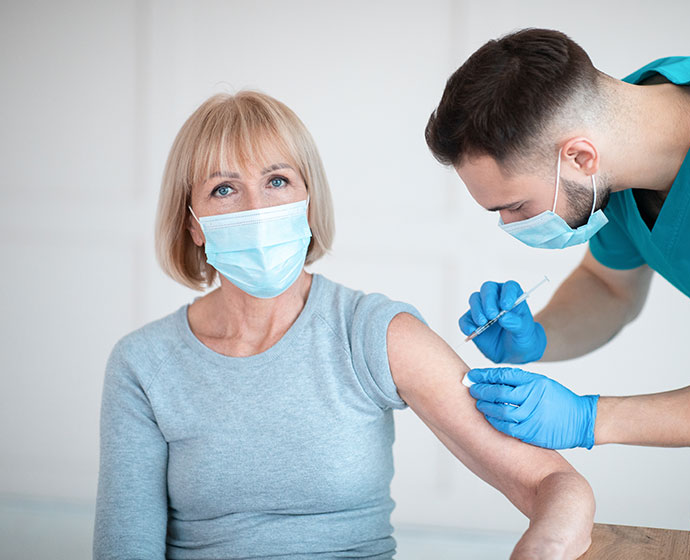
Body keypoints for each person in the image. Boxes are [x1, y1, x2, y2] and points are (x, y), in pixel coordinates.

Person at [93, 90, 595, 559]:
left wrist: (546, 545)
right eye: (224, 189)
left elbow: (551, 482)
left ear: (308, 203)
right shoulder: (144, 363)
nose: (256, 209)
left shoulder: (373, 333)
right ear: (193, 225)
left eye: (277, 181)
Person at [424, 28, 690, 542]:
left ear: (578, 157)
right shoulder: (625, 133)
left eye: (515, 205)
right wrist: (537, 336)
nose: (511, 226)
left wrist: (588, 419)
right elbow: (608, 287)